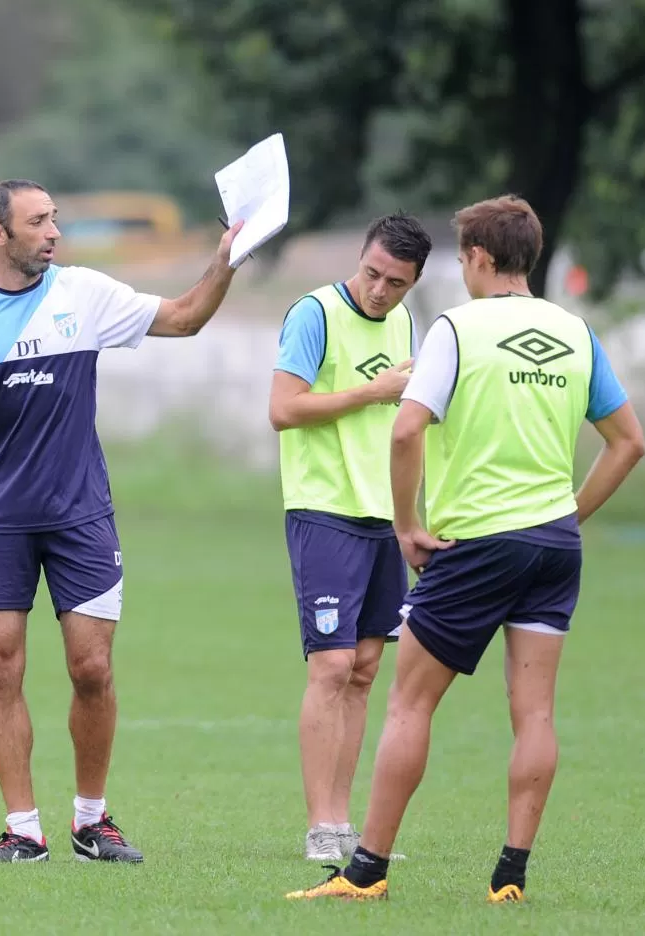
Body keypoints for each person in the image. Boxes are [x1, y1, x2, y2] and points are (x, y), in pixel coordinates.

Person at [287, 194, 645, 901]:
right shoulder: (574, 331)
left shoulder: (457, 328)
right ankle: (510, 876)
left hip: (477, 543)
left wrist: (405, 525)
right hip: (552, 547)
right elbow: (629, 443)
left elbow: (403, 429)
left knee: (409, 706)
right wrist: (568, 516)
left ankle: (367, 872)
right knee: (536, 712)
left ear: (478, 258)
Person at [0, 179, 244, 863]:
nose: (53, 233)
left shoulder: (84, 295)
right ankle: (24, 830)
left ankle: (92, 822)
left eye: (55, 219)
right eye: (38, 222)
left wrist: (226, 257)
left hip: (81, 514)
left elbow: (186, 316)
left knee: (92, 668)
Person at [269, 213, 433, 861]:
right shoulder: (314, 314)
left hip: (383, 516)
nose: (378, 291)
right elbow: (283, 409)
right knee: (331, 664)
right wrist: (372, 391)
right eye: (371, 273)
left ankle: (345, 823)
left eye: (395, 282)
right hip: (324, 506)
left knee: (365, 671)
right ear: (359, 259)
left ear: (413, 282)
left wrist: (411, 516)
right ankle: (322, 823)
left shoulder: (404, 322)